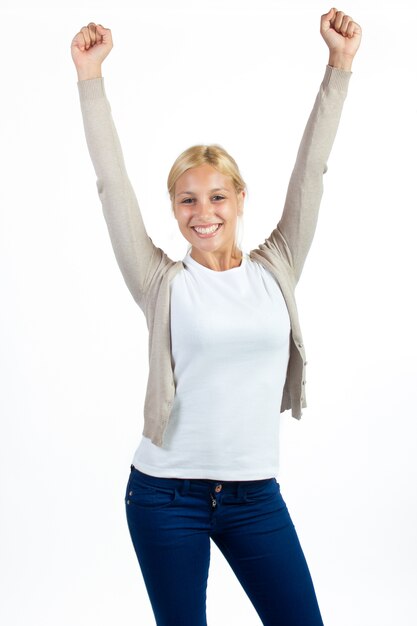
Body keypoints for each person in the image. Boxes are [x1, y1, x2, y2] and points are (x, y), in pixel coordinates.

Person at [71, 8, 361, 626]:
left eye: (217, 196)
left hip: (256, 498)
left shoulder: (276, 267)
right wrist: (90, 79)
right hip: (164, 496)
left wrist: (339, 67)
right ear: (175, 210)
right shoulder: (161, 284)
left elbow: (312, 173)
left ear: (239, 199)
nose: (203, 212)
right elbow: (111, 184)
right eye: (187, 200)